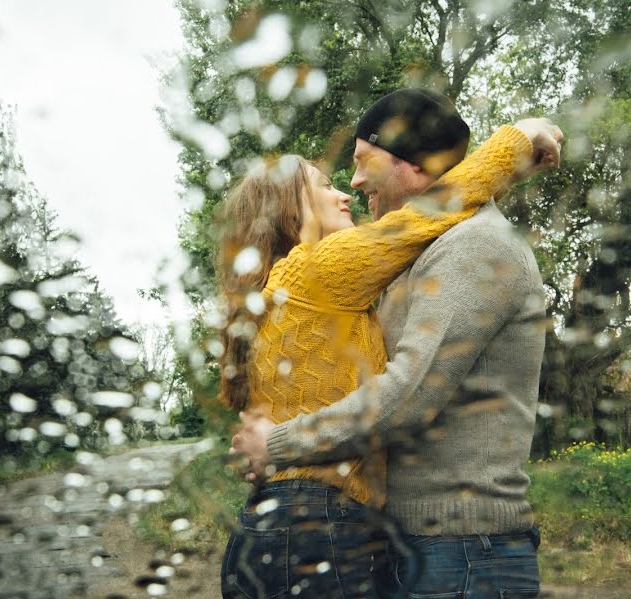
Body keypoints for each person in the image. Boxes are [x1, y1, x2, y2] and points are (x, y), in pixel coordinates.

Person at [220, 88, 561, 598]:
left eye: (361, 163)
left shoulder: (471, 245)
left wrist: (276, 444)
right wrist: (519, 143)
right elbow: (434, 214)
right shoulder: (322, 272)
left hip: (459, 546)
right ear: (290, 213)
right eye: (329, 182)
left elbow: (407, 393)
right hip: (353, 531)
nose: (352, 186)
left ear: (414, 165)